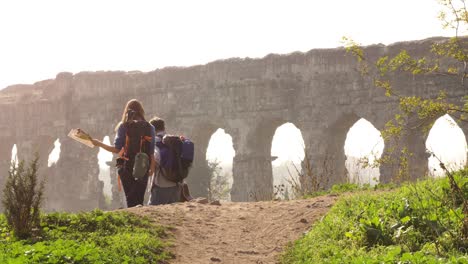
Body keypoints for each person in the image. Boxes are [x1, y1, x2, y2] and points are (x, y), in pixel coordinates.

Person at [91, 99, 156, 207]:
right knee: (139, 198)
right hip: (143, 165)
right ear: (141, 111)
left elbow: (117, 149)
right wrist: (152, 168)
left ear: (127, 111)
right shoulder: (150, 127)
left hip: (126, 165)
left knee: (130, 198)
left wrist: (99, 144)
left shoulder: (123, 126)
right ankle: (139, 219)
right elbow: (151, 151)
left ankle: (133, 220)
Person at [148, 116, 183, 205]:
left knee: (153, 213)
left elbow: (155, 162)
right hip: (177, 184)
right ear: (163, 128)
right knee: (174, 215)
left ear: (152, 129)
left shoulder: (155, 142)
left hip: (161, 184)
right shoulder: (174, 140)